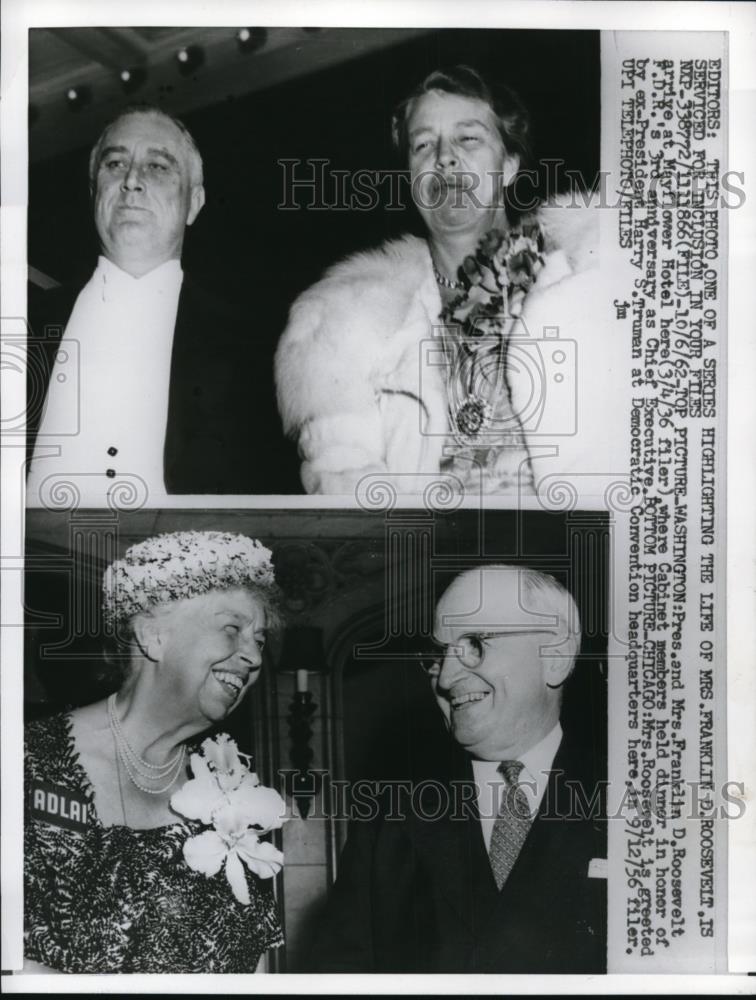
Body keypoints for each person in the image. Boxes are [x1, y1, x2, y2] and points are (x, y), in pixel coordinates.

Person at [275, 65, 619, 497]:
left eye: (468, 138)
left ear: (509, 165)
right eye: (423, 145)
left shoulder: (597, 282)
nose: (444, 157)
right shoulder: (343, 328)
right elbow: (347, 502)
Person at [308, 565, 606, 973]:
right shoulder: (388, 821)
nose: (446, 677)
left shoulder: (635, 800)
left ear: (555, 656)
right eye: (438, 654)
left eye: (475, 643)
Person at [24, 531, 287, 973]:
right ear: (153, 636)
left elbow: (254, 966)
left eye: (259, 640)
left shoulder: (230, 795)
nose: (254, 657)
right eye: (232, 629)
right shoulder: (23, 763)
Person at [26, 104, 258, 500]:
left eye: (158, 167)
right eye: (114, 163)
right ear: (93, 190)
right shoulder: (24, 323)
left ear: (195, 203)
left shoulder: (247, 345)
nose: (132, 180)